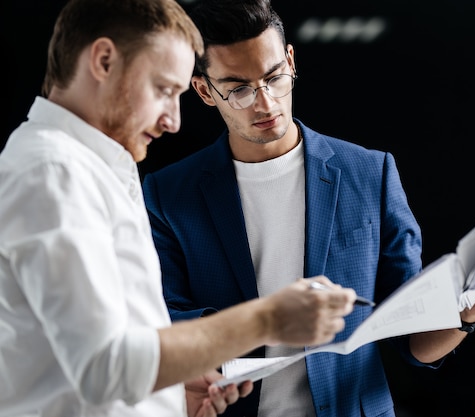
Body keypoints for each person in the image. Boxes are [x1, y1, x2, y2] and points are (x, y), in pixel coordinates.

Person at [141, 0, 475, 416]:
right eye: (238, 89)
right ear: (205, 90)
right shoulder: (167, 195)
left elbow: (411, 338)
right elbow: (164, 330)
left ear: (290, 62)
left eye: (274, 78)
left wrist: (467, 314)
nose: (265, 103)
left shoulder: (370, 174)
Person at [0, 1, 359, 417]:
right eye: (164, 90)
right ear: (103, 60)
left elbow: (103, 362)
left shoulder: (89, 168)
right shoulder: (53, 171)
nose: (173, 121)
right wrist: (269, 320)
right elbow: (103, 366)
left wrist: (168, 393)